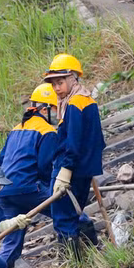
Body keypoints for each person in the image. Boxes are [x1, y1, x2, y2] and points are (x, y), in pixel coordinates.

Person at [0, 82, 60, 268]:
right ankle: (83, 261)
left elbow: (1, 160)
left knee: (12, 241)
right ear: (44, 109)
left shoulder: (16, 129)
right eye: (55, 108)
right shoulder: (47, 132)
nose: (57, 112)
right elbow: (44, 167)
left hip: (4, 192)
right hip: (29, 189)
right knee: (68, 213)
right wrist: (52, 189)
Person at [43, 53, 105, 256]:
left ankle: (73, 264)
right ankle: (88, 256)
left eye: (60, 82)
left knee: (63, 216)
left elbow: (74, 141)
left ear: (73, 78)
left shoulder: (75, 103)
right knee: (73, 214)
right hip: (83, 167)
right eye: (54, 85)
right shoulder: (86, 100)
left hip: (71, 167)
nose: (56, 88)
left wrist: (66, 169)